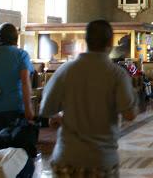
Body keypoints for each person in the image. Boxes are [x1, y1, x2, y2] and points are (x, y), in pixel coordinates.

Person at [40, 20, 137, 176]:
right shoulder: (117, 74)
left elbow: (46, 109)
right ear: (111, 42)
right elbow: (129, 114)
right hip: (100, 161)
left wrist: (58, 117)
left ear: (86, 40)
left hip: (66, 158)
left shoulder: (66, 70)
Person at [0, 23, 35, 178]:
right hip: (14, 109)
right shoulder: (21, 55)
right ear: (15, 38)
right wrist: (29, 109)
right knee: (17, 155)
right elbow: (25, 82)